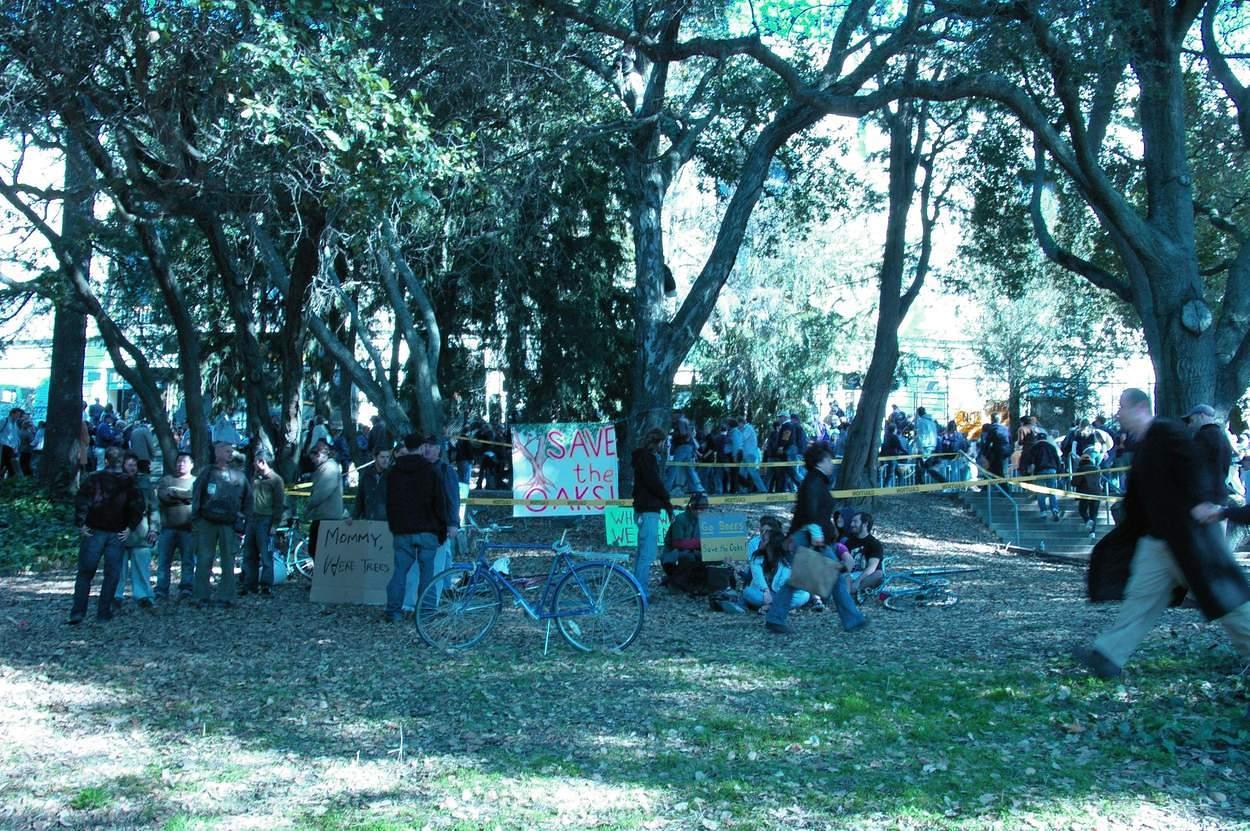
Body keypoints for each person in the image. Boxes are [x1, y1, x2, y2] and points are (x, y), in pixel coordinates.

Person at [1075, 388, 1250, 680]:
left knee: (1227, 604)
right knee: (1140, 599)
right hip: (1157, 540)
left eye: (1122, 408)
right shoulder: (1143, 443)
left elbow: (1196, 465)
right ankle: (1108, 655)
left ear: (1140, 407)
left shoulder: (1168, 432)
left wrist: (1203, 501)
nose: (1118, 414)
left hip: (1189, 538)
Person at [765, 443, 867, 635]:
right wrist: (818, 537)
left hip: (810, 536)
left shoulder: (815, 482)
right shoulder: (813, 483)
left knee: (808, 579)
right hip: (811, 537)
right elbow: (810, 514)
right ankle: (853, 620)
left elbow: (808, 513)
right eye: (829, 460)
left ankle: (775, 618)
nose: (832, 463)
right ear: (820, 462)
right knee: (813, 578)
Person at [69, 446, 144, 624]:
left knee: (85, 573)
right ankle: (103, 612)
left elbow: (82, 500)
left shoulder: (94, 479)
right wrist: (131, 526)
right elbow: (138, 506)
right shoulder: (129, 482)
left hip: (94, 530)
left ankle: (78, 612)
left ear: (106, 460)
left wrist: (81, 522)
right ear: (122, 461)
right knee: (111, 574)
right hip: (117, 532)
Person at [384, 434, 449, 622]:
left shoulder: (394, 473)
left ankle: (393, 611)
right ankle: (426, 612)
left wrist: (394, 526)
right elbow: (440, 503)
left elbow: (390, 503)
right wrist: (442, 530)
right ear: (421, 448)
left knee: (399, 571)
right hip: (427, 530)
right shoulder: (431, 471)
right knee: (427, 572)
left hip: (402, 531)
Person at [191, 440, 253, 607]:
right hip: (206, 521)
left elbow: (248, 500)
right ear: (217, 452)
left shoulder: (239, 476)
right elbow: (196, 494)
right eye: (226, 451)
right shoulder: (207, 473)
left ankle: (227, 597)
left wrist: (244, 521)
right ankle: (201, 596)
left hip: (229, 523)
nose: (230, 454)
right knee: (204, 558)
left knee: (228, 560)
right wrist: (195, 518)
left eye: (231, 451)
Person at [404, 435, 460, 612]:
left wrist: (453, 523)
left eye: (431, 446)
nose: (427, 449)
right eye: (425, 445)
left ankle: (429, 606)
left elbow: (453, 499)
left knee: (435, 567)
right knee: (412, 566)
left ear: (438, 449)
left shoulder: (445, 471)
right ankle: (409, 604)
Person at [631, 428, 675, 601]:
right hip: (648, 511)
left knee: (642, 553)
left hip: (643, 509)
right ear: (659, 443)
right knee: (647, 554)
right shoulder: (648, 460)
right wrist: (667, 501)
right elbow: (654, 484)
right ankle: (640, 593)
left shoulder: (642, 459)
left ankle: (637, 588)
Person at [114, 453, 157, 610]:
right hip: (119, 530)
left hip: (141, 530)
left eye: (134, 464)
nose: (131, 467)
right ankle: (115, 596)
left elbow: (154, 507)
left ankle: (143, 595)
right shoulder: (116, 481)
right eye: (128, 464)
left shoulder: (144, 482)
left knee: (142, 567)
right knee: (118, 568)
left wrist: (154, 529)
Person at [741, 517, 810, 612]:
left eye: (765, 540)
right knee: (748, 593)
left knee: (804, 596)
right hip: (766, 593)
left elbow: (786, 583)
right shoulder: (757, 556)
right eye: (762, 531)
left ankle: (771, 607)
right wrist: (766, 591)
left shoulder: (785, 556)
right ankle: (782, 607)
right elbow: (757, 575)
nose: (762, 542)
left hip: (783, 592)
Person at [240, 448, 285, 596]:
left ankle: (266, 585)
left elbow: (279, 504)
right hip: (252, 519)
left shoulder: (276, 480)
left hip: (265, 520)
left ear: (262, 462)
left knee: (266, 554)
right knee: (249, 553)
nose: (253, 464)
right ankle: (249, 584)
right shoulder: (254, 478)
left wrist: (275, 524)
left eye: (255, 461)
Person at [154, 451, 197, 600]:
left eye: (184, 461)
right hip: (168, 528)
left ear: (191, 464)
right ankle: (161, 589)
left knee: (188, 560)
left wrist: (176, 495)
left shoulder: (196, 482)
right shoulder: (167, 480)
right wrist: (185, 497)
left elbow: (195, 497)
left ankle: (186, 587)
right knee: (164, 561)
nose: (181, 464)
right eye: (178, 461)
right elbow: (163, 497)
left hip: (189, 529)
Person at [660, 492, 710, 593]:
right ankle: (675, 583)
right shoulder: (680, 519)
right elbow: (678, 544)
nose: (701, 511)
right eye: (699, 508)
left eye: (704, 509)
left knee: (714, 558)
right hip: (673, 556)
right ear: (691, 507)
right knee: (688, 557)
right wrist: (701, 544)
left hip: (693, 553)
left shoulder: (705, 520)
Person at [1185, 404, 1233, 507]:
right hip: (1220, 494)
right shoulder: (1224, 438)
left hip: (1206, 498)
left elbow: (1195, 467)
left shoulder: (1202, 437)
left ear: (1201, 416)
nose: (1189, 425)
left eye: (1191, 420)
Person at [305, 442, 344, 559]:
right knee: (316, 550)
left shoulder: (329, 468)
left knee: (321, 551)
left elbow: (323, 492)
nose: (313, 461)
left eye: (314, 458)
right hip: (323, 516)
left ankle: (325, 576)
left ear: (321, 455)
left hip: (327, 517)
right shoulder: (325, 468)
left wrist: (309, 504)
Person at [1020, 427, 1063, 521]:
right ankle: (1054, 509)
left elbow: (1031, 461)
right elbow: (1057, 460)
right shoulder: (1052, 447)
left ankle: (1043, 511)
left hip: (1040, 471)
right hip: (1052, 471)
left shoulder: (1034, 447)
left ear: (1038, 439)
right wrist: (1060, 472)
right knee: (1052, 492)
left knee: (1040, 493)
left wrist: (1029, 472)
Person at [842, 512, 885, 596]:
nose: (851, 524)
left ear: (865, 524)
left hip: (865, 575)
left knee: (878, 574)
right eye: (851, 521)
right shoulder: (849, 542)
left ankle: (852, 590)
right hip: (849, 574)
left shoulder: (874, 544)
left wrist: (858, 581)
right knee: (845, 576)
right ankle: (849, 593)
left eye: (855, 522)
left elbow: (872, 567)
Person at [664, 410, 703, 496]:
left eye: (674, 414)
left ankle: (666, 489)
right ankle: (697, 489)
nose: (672, 416)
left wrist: (672, 434)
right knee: (689, 469)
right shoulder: (686, 421)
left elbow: (683, 433)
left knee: (673, 468)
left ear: (678, 414)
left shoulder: (680, 421)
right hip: (688, 447)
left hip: (682, 447)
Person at [354, 446, 392, 522]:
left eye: (387, 457)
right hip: (369, 520)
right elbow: (360, 498)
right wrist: (354, 516)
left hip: (387, 521)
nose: (385, 460)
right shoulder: (366, 475)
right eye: (382, 457)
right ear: (375, 458)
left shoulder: (393, 475)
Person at [1072, 450, 1102, 538]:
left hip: (1084, 494)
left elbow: (1075, 482)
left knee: (1082, 510)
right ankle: (1092, 533)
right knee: (1094, 514)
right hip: (1097, 494)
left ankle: (1087, 520)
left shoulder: (1080, 469)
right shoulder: (1097, 469)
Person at [0, 407, 23, 479]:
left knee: (10, 466)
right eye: (17, 415)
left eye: (19, 415)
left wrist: (16, 445)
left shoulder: (15, 424)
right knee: (3, 463)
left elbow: (15, 436)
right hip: (3, 446)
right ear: (12, 414)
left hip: (12, 448)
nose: (18, 417)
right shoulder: (4, 421)